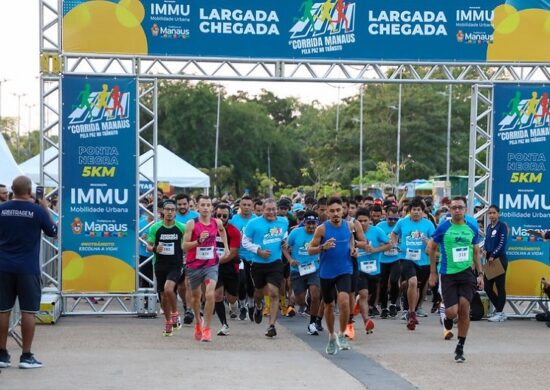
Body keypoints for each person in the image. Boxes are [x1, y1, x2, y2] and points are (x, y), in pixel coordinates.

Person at [0, 176, 58, 369]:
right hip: (27, 268)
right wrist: (44, 207)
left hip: (3, 266)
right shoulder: (36, 211)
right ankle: (26, 356)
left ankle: (2, 354)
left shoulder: (2, 209)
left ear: (12, 190)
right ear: (30, 191)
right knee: (28, 312)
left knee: (3, 310)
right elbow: (53, 231)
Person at [308, 197, 366, 355]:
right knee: (328, 305)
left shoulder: (349, 226)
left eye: (338, 210)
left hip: (345, 269)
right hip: (327, 271)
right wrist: (322, 247)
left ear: (343, 211)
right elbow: (310, 250)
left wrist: (354, 249)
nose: (335, 213)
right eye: (332, 211)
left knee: (344, 300)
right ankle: (331, 336)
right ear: (327, 212)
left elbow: (352, 241)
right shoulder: (322, 229)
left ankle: (342, 334)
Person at [429, 196, 484, 363]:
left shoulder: (472, 226)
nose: (457, 210)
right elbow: (431, 248)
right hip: (448, 273)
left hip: (467, 273)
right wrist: (432, 272)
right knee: (453, 311)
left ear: (465, 209)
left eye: (460, 207)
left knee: (465, 307)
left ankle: (460, 346)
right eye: (454, 208)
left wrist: (480, 274)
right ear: (450, 210)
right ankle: (447, 318)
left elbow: (475, 251)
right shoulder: (443, 227)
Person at [183, 195, 229, 342]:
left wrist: (226, 248)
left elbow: (222, 231)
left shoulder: (217, 222)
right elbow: (184, 246)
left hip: (211, 264)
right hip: (194, 265)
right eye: (202, 205)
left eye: (207, 205)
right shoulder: (191, 224)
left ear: (212, 208)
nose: (205, 208)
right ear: (197, 207)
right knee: (196, 298)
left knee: (210, 295)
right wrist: (198, 241)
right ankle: (198, 322)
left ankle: (207, 328)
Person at [242, 198, 288, 337]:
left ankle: (271, 326)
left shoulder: (283, 221)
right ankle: (258, 305)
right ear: (263, 210)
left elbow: (284, 235)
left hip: (275, 262)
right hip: (258, 263)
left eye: (273, 209)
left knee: (274, 292)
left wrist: (285, 242)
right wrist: (258, 251)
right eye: (268, 209)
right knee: (258, 292)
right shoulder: (253, 223)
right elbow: (244, 241)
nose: (271, 212)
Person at [391, 196, 435, 331]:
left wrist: (427, 242)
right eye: (414, 210)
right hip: (406, 258)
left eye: (419, 210)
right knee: (413, 282)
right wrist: (395, 244)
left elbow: (433, 241)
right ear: (409, 211)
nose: (416, 212)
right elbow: (394, 234)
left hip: (423, 261)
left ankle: (408, 296)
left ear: (423, 211)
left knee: (419, 290)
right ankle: (411, 312)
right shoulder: (402, 222)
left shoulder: (428, 224)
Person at [147, 200, 186, 337]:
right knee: (163, 296)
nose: (169, 212)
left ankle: (175, 314)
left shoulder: (182, 227)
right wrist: (155, 249)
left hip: (175, 264)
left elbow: (186, 244)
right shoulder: (155, 228)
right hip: (160, 264)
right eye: (167, 209)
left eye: (172, 209)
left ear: (175, 212)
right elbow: (148, 246)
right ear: (162, 211)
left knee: (169, 289)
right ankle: (168, 322)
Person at [283, 211, 322, 335]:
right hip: (297, 270)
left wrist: (322, 257)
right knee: (300, 300)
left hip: (314, 269)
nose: (311, 226)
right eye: (309, 223)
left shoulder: (321, 233)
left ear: (317, 223)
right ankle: (305, 303)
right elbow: (285, 248)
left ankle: (312, 323)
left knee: (315, 295)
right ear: (304, 222)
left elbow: (327, 247)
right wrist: (290, 260)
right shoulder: (295, 233)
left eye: (314, 223)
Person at [213, 203, 241, 336]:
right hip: (213, 267)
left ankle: (233, 306)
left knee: (231, 298)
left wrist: (217, 261)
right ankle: (224, 324)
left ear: (229, 216)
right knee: (217, 295)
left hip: (229, 266)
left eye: (225, 216)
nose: (222, 218)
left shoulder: (234, 231)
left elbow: (233, 253)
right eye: (219, 215)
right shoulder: (209, 228)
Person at [483, 205, 508, 322]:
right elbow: (488, 242)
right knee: (487, 287)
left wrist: (493, 254)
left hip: (499, 259)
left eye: (494, 213)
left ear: (498, 214)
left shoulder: (502, 226)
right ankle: (500, 310)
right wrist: (485, 251)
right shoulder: (488, 227)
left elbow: (502, 243)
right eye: (490, 213)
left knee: (499, 286)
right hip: (490, 260)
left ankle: (499, 312)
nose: (491, 215)